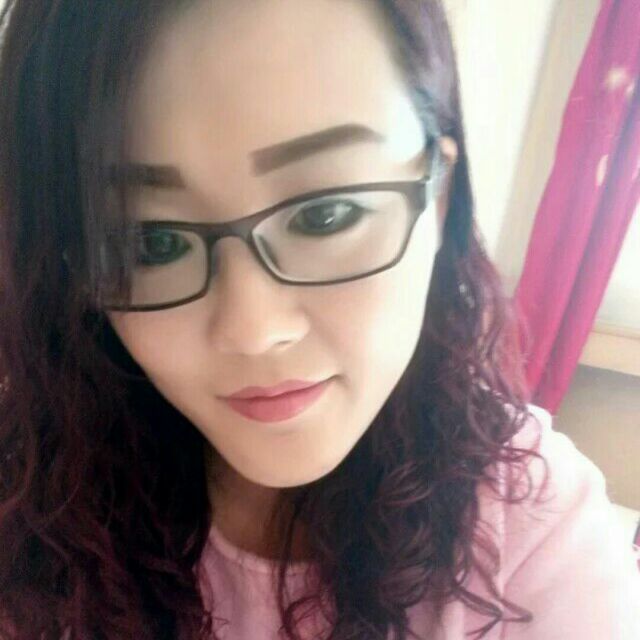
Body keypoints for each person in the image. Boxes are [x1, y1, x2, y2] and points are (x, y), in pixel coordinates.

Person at [0, 0, 638, 638]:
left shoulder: (537, 538)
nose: (254, 332)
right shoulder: (38, 490)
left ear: (439, 197)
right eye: (153, 243)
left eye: (324, 215)